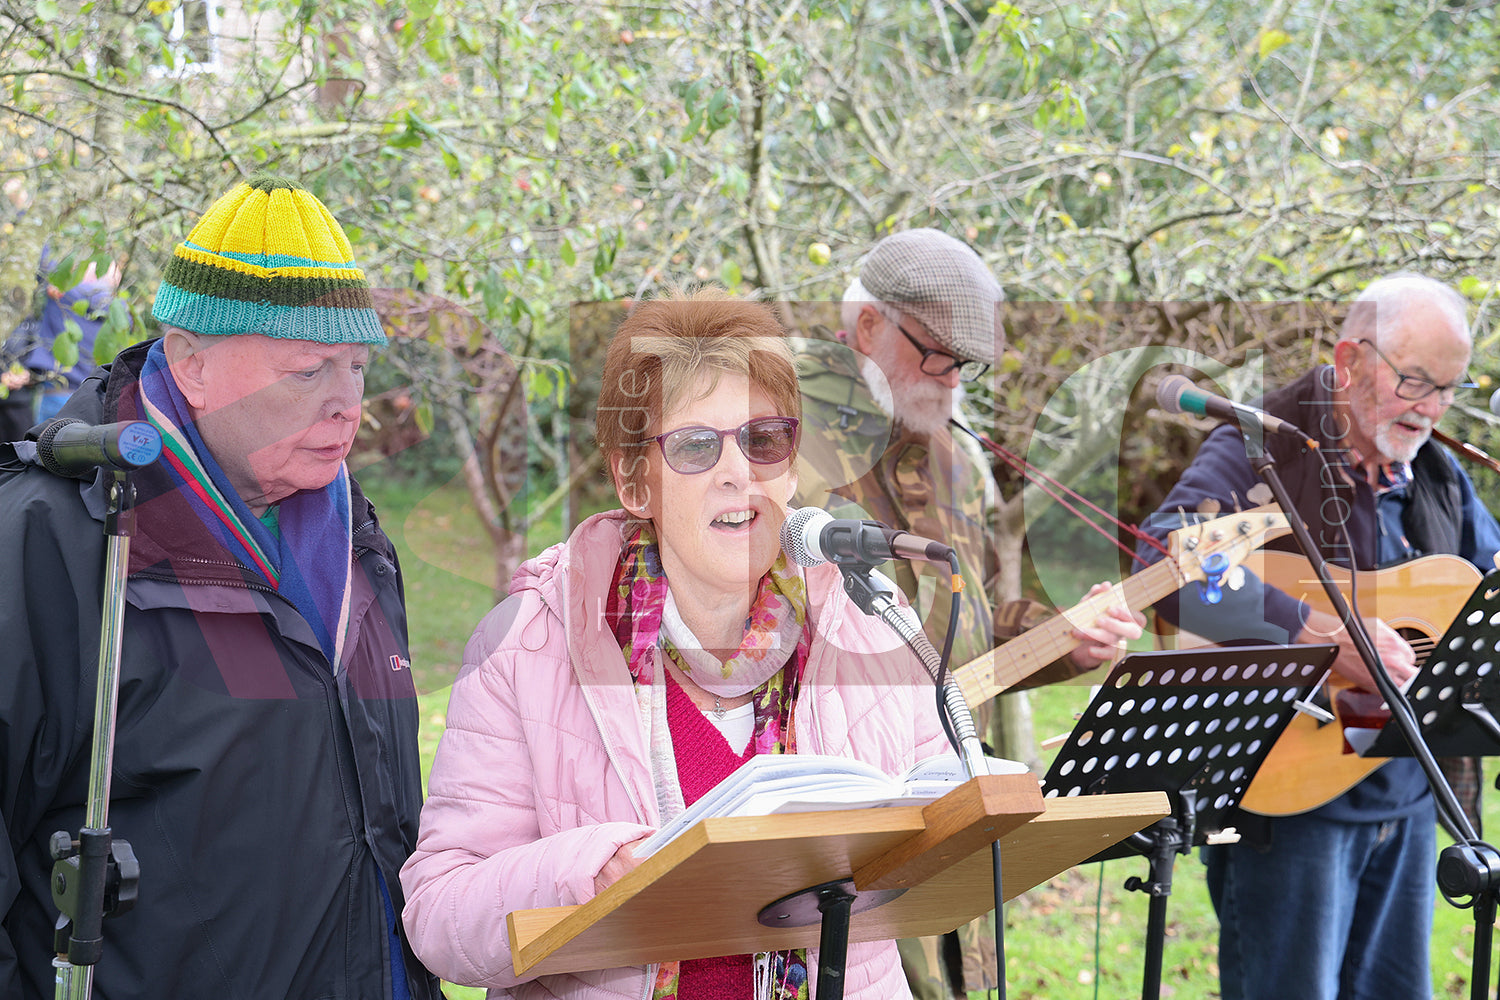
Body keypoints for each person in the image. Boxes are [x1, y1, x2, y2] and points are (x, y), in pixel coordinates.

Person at [400, 289, 950, 999]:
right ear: (634, 478)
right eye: (695, 446)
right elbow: (440, 917)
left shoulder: (868, 617)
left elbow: (941, 836)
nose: (738, 472)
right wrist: (586, 872)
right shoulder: (529, 643)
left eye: (764, 439)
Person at [0, 176, 441, 999]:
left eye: (355, 367)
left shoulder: (358, 537)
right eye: (309, 370)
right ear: (192, 365)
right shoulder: (52, 539)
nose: (349, 405)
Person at [793, 228, 1143, 1000]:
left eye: (967, 364)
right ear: (868, 327)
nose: (952, 380)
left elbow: (971, 624)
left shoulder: (960, 462)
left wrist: (1066, 642)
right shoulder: (771, 434)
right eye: (935, 355)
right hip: (822, 826)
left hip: (946, 807)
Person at [1134, 273, 1500, 1000]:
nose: (1430, 408)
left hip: (1407, 796)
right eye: (1414, 381)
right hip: (1292, 802)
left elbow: (1485, 586)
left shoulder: (1437, 474)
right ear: (1350, 359)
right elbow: (1164, 562)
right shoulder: (1268, 446)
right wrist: (1320, 634)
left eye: (1449, 389)